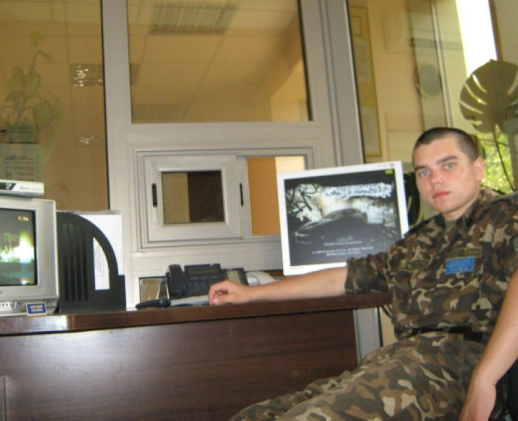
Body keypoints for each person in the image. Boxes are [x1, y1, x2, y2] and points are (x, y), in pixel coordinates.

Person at [209, 127, 518, 421]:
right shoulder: (419, 240)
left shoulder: (506, 215)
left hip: (462, 362)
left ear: (477, 168)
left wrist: (484, 379)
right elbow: (344, 278)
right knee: (254, 416)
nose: (435, 179)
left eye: (448, 165)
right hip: (402, 359)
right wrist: (251, 293)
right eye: (424, 171)